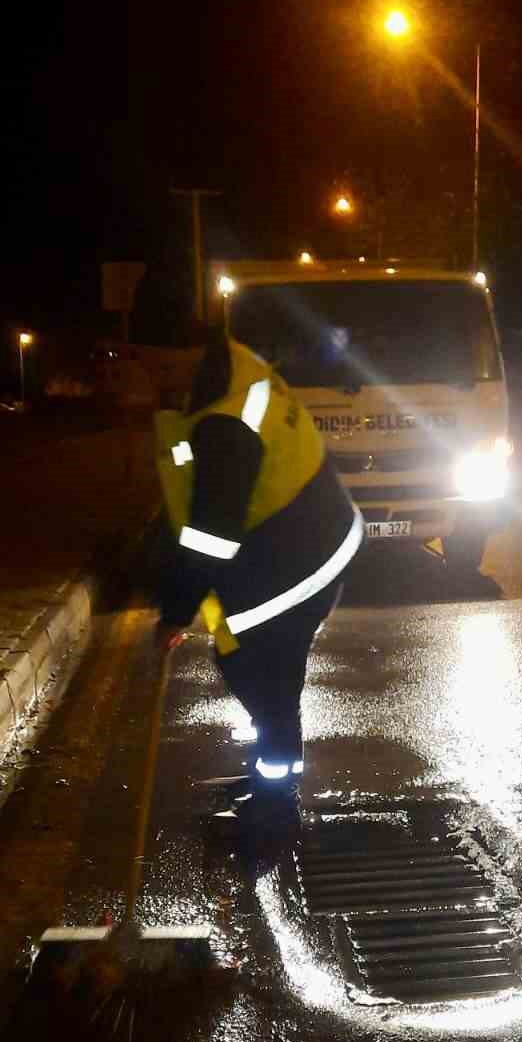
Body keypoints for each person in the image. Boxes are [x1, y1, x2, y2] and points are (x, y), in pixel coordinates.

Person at [148, 313, 363, 834]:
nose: (137, 371)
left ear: (184, 353)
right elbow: (198, 503)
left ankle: (275, 802)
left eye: (140, 357)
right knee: (255, 668)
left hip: (298, 560)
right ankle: (272, 782)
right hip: (304, 535)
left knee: (261, 671)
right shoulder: (228, 369)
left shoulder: (226, 421)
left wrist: (175, 613)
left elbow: (211, 536)